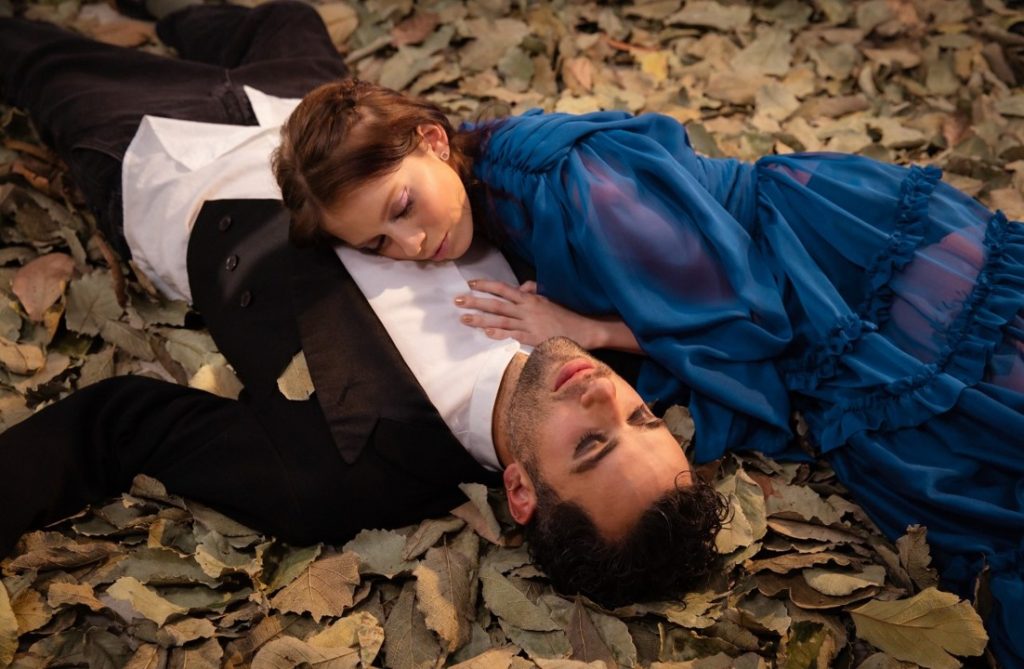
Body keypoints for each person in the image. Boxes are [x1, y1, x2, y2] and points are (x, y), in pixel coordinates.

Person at [0, 3, 726, 609]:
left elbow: (120, 423)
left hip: (173, 159)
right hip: (324, 122)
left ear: (520, 492)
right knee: (288, 16)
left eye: (591, 444)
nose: (604, 396)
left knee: (32, 56)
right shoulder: (590, 305)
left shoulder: (337, 477)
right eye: (641, 417)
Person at [274, 81, 1024, 666]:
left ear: (433, 141)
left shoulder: (573, 182)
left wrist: (587, 329)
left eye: (403, 207)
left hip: (815, 258)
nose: (412, 244)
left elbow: (744, 317)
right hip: (765, 269)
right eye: (380, 243)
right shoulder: (475, 177)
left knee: (962, 437)